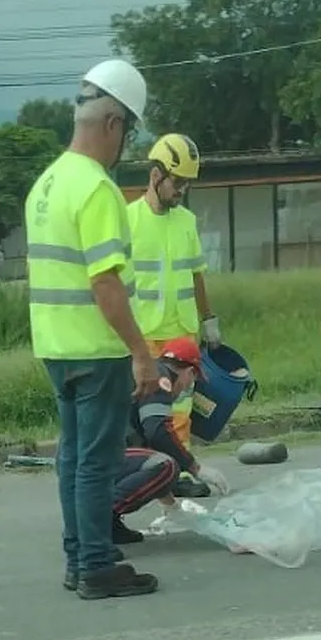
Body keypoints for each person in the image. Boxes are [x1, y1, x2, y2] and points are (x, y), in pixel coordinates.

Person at [25, 58, 161, 601]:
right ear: (113, 124)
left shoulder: (47, 183)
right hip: (97, 349)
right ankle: (98, 566)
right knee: (95, 465)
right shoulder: (97, 189)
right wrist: (140, 352)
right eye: (127, 130)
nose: (124, 143)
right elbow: (106, 285)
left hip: (56, 346)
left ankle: (78, 557)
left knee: (73, 459)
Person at [127, 132, 219, 495]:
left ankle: (177, 475)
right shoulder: (128, 220)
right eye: (177, 182)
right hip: (144, 332)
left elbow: (196, 275)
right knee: (149, 412)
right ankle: (151, 472)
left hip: (183, 333)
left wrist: (208, 318)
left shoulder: (186, 222)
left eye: (186, 184)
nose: (181, 190)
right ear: (155, 176)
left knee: (181, 408)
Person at [112, 337, 230, 545]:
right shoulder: (160, 378)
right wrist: (195, 468)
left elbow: (149, 446)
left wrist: (171, 507)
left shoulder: (153, 372)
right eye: (192, 379)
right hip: (107, 452)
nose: (188, 386)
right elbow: (158, 432)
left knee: (159, 461)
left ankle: (108, 521)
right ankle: (99, 516)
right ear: (190, 372)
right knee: (167, 466)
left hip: (95, 451)